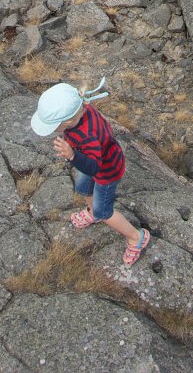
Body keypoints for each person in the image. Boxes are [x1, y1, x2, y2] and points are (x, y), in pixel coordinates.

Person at [30, 78, 150, 266]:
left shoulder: (85, 136)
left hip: (106, 171)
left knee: (104, 212)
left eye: (54, 126)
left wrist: (72, 155)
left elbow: (94, 168)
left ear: (68, 121)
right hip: (95, 158)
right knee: (83, 187)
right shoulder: (82, 109)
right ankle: (92, 212)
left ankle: (136, 237)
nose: (53, 131)